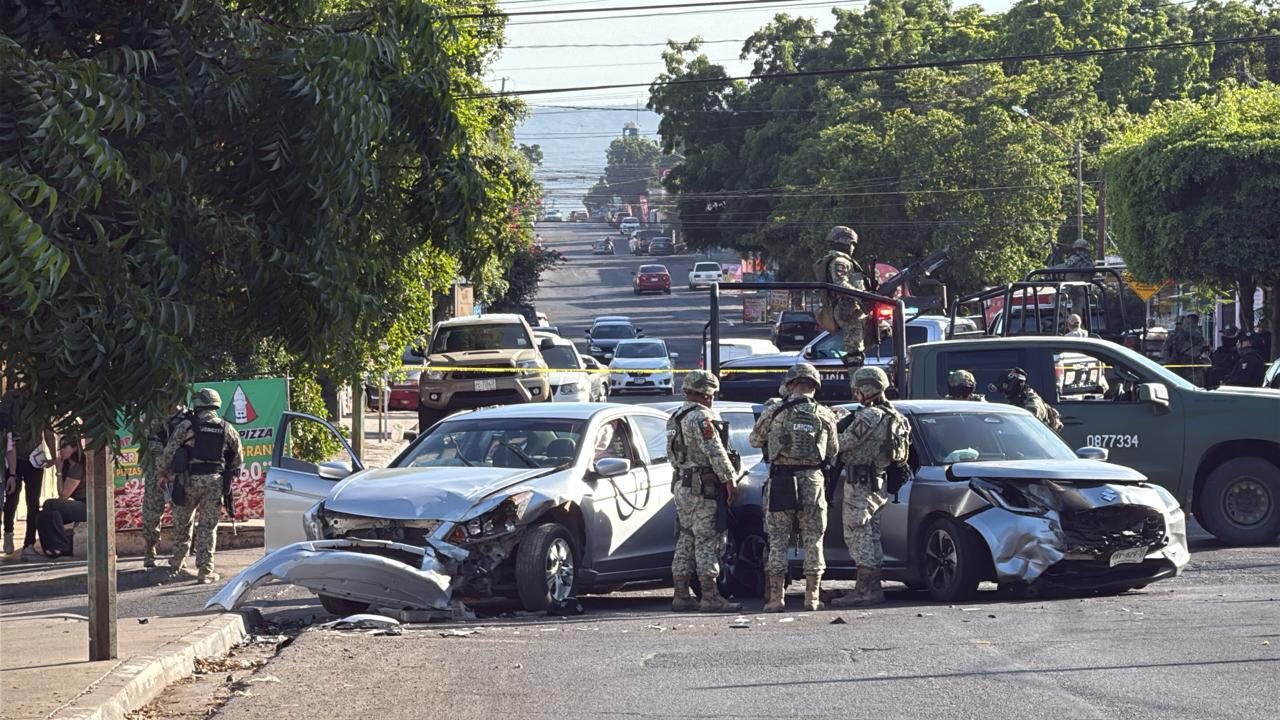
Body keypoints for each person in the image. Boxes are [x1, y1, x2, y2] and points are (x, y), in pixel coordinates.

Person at [749, 363, 838, 612]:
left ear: (790, 385)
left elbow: (754, 440)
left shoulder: (775, 411)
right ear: (815, 386)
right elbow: (833, 450)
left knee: (777, 539)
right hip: (813, 479)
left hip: (781, 480)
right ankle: (812, 597)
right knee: (814, 539)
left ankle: (776, 598)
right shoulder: (825, 414)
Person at [831, 366, 911, 607]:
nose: (855, 394)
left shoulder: (870, 415)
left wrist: (832, 423)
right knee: (872, 534)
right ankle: (872, 587)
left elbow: (843, 443)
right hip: (878, 480)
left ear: (865, 389)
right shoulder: (896, 415)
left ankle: (865, 589)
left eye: (857, 389)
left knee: (858, 533)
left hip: (861, 483)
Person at [667, 370, 742, 613]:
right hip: (703, 487)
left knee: (686, 537)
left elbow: (672, 454)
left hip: (682, 484)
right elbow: (715, 451)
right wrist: (730, 479)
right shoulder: (702, 418)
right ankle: (709, 595)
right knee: (707, 539)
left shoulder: (675, 417)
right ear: (707, 394)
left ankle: (680, 594)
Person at [160, 388, 243, 584]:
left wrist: (163, 472)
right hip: (214, 482)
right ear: (215, 404)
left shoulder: (186, 425)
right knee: (207, 527)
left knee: (183, 522)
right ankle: (205, 571)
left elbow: (169, 452)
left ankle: (177, 563)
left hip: (187, 481)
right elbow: (238, 458)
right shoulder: (226, 427)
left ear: (197, 404)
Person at [815, 226, 873, 392]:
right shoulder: (840, 261)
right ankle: (858, 385)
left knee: (882, 330)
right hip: (847, 309)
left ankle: (858, 376)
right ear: (846, 243)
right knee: (854, 349)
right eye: (852, 244)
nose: (853, 248)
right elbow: (841, 284)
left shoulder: (839, 260)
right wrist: (864, 295)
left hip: (851, 307)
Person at [3, 386, 56, 559]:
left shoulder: (36, 401)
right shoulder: (17, 398)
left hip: (25, 458)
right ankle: (18, 539)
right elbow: (47, 432)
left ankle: (19, 539)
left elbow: (47, 431)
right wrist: (53, 456)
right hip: (23, 457)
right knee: (22, 500)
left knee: (23, 500)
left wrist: (53, 455)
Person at [142, 401, 188, 568]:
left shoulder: (188, 418)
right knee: (150, 514)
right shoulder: (151, 418)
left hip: (179, 474)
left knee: (182, 516)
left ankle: (179, 556)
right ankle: (149, 552)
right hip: (154, 473)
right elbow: (144, 442)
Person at [34, 439, 86, 559]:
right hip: (77, 505)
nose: (61, 451)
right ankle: (52, 548)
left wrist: (58, 472)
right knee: (44, 515)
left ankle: (63, 545)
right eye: (60, 448)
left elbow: (63, 495)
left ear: (74, 448)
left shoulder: (77, 467)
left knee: (50, 504)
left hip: (86, 506)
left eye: (64, 447)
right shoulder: (68, 466)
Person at [992, 368, 1062, 432]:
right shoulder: (1019, 400)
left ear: (1014, 385)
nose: (1005, 394)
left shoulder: (1032, 405)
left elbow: (1022, 430)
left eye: (1005, 389)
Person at [1163, 314, 1205, 382]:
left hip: (1192, 369)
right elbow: (1165, 350)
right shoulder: (1173, 336)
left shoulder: (1197, 337)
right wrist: (1168, 361)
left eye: (1192, 324)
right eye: (1187, 323)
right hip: (1175, 368)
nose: (1189, 326)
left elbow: (1197, 351)